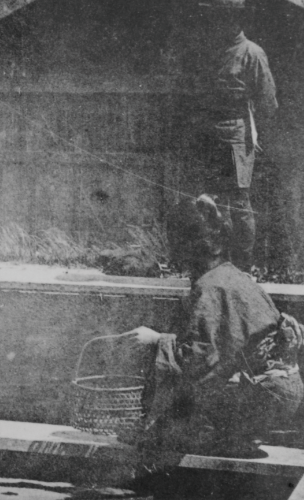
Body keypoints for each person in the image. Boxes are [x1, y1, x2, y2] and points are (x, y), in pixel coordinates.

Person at [128, 195, 303, 458]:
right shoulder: (234, 275)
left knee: (175, 423)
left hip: (262, 397)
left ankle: (209, 439)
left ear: (186, 248)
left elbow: (200, 360)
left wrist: (156, 340)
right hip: (284, 393)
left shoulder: (210, 287)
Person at [183, 0, 277, 270]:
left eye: (224, 16)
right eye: (214, 17)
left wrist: (258, 136)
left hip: (236, 134)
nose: (218, 22)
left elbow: (268, 103)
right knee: (207, 200)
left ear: (237, 19)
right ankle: (212, 265)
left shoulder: (252, 53)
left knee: (239, 202)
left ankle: (242, 268)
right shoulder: (208, 52)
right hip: (207, 133)